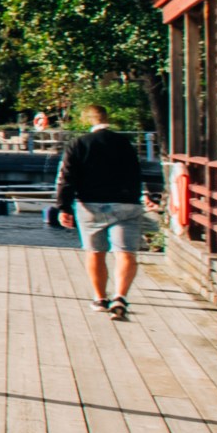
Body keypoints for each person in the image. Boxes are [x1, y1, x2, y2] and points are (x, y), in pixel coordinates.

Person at [50, 103, 148, 317]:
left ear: (87, 120)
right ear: (107, 118)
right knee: (126, 253)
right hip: (126, 204)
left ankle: (100, 298)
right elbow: (136, 172)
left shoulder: (79, 144)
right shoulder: (125, 143)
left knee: (95, 252)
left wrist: (63, 207)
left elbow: (66, 177)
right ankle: (120, 297)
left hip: (91, 205)